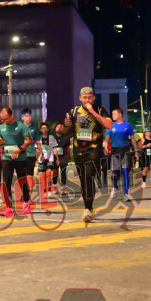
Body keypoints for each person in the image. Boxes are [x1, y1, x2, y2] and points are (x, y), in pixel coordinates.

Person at [63, 87, 112, 223]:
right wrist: (65, 125)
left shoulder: (100, 110)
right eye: (84, 98)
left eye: (90, 97)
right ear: (80, 98)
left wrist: (93, 112)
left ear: (94, 97)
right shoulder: (74, 111)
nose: (87, 100)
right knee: (84, 179)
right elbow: (63, 131)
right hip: (78, 150)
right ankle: (88, 207)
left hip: (94, 148)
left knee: (88, 175)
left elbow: (109, 125)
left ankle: (87, 209)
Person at [0, 107, 33, 217]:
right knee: (6, 181)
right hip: (7, 158)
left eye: (6, 119)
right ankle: (8, 207)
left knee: (22, 181)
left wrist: (19, 149)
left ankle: (26, 203)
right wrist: (0, 142)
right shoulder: (1, 127)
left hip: (20, 158)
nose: (4, 121)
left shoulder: (21, 126)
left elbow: (29, 141)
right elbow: (0, 142)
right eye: (2, 119)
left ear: (11, 116)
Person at [107, 108, 139, 201]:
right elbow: (107, 138)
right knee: (115, 174)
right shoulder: (111, 126)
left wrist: (136, 151)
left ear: (120, 115)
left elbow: (133, 138)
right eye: (112, 114)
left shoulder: (127, 125)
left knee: (125, 172)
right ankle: (115, 187)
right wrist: (105, 147)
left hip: (126, 151)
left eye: (114, 114)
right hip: (115, 151)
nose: (112, 116)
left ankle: (126, 194)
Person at [20, 108, 42, 192]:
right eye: (26, 116)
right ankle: (23, 193)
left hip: (31, 155)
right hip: (21, 155)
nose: (28, 118)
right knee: (22, 176)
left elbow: (38, 142)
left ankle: (28, 196)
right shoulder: (18, 128)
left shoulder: (35, 129)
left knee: (29, 175)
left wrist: (41, 153)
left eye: (29, 116)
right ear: (22, 117)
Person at [51, 123, 72, 195]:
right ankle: (54, 187)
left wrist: (69, 156)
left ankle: (63, 188)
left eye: (61, 127)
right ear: (55, 128)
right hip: (54, 156)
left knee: (63, 172)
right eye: (57, 127)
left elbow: (68, 147)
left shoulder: (66, 137)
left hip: (63, 156)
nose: (59, 128)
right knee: (55, 172)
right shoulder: (52, 137)